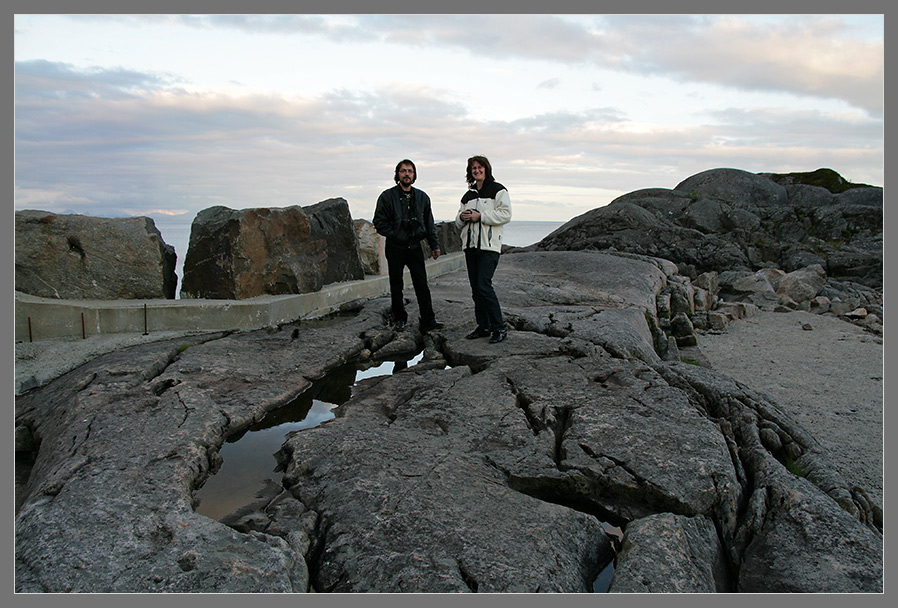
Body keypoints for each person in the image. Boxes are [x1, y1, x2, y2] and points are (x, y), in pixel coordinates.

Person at [373, 159, 444, 332]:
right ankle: (399, 319)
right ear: (397, 174)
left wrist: (434, 245)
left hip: (415, 247)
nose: (407, 174)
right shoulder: (387, 196)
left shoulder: (422, 197)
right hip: (395, 247)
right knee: (396, 285)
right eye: (403, 171)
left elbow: (429, 224)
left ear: (414, 175)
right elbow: (379, 221)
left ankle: (428, 320)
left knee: (421, 284)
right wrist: (394, 234)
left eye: (410, 171)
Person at [455, 155, 512, 343]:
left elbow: (506, 214)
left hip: (489, 246)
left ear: (486, 169)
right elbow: (457, 222)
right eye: (473, 168)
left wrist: (481, 216)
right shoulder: (468, 195)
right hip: (470, 246)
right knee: (475, 289)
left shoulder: (498, 190)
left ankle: (499, 328)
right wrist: (462, 218)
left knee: (483, 285)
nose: (476, 170)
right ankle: (484, 326)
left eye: (479, 167)